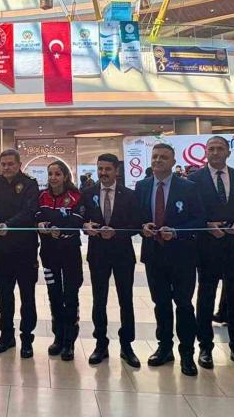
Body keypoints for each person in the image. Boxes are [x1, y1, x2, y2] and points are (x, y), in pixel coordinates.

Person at [188, 137, 234, 373]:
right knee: (206, 297)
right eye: (211, 149)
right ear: (205, 152)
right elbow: (190, 212)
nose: (215, 152)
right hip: (207, 247)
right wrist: (206, 225)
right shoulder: (194, 179)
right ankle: (205, 348)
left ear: (228, 152)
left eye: (220, 149)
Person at [135, 143, 206, 376]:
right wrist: (143, 226)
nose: (158, 160)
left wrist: (176, 232)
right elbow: (137, 217)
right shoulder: (143, 186)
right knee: (161, 304)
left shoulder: (188, 187)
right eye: (155, 156)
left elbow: (200, 220)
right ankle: (164, 347)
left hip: (182, 256)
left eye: (163, 157)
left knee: (184, 304)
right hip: (154, 254)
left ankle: (187, 353)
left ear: (173, 162)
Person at [82, 153, 141, 368]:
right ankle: (100, 343)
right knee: (99, 299)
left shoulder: (129, 195)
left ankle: (127, 345)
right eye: (100, 169)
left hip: (122, 253)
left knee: (126, 299)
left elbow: (136, 224)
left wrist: (117, 232)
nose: (103, 173)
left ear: (116, 170)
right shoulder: (87, 193)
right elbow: (81, 219)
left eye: (107, 169)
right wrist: (86, 227)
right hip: (98, 254)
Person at [0, 149, 39, 358]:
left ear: (19, 164)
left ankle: (27, 338)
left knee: (27, 296)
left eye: (10, 164)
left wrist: (9, 225)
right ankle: (6, 335)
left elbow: (29, 211)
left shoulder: (30, 184)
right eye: (3, 164)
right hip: (2, 249)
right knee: (4, 296)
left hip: (25, 249)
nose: (6, 167)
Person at [35, 160, 84, 361]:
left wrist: (60, 229)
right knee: (54, 295)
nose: (53, 177)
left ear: (65, 176)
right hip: (49, 254)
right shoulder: (42, 196)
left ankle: (70, 341)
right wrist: (42, 225)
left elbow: (77, 221)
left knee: (70, 295)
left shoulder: (76, 196)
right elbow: (36, 217)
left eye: (57, 174)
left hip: (70, 254)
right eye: (50, 174)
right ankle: (58, 337)